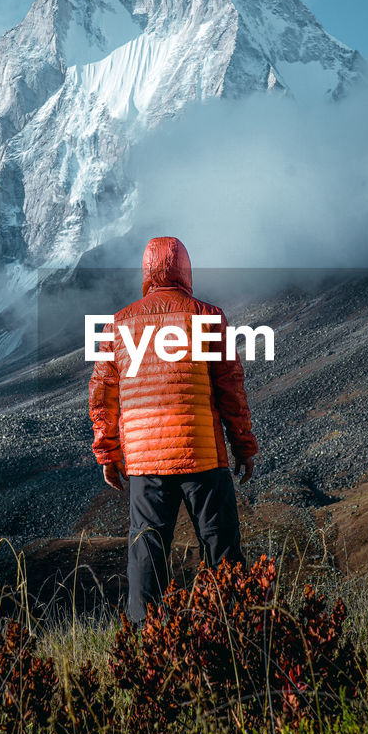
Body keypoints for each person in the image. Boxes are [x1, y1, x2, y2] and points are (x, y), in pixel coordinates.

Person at [88, 235, 259, 624]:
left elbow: (102, 395)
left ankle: (144, 648)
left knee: (146, 555)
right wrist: (243, 446)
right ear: (185, 269)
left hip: (147, 463)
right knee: (221, 552)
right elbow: (231, 388)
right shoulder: (207, 316)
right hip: (203, 457)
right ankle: (234, 640)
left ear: (146, 272)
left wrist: (108, 454)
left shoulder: (119, 324)